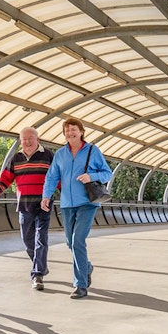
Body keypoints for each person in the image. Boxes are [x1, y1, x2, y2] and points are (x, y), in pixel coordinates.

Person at [40, 118, 112, 299]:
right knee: (70, 242)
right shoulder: (60, 154)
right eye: (66, 130)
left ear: (81, 132)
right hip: (66, 204)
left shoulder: (92, 151)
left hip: (87, 203)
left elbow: (107, 173)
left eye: (73, 129)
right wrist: (46, 195)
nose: (70, 133)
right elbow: (51, 177)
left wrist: (91, 176)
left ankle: (80, 285)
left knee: (78, 240)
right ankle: (86, 267)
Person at [0, 127, 53, 291]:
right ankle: (40, 264)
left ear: (37, 139)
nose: (27, 142)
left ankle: (37, 274)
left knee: (41, 239)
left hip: (43, 206)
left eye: (30, 138)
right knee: (28, 241)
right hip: (25, 206)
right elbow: (6, 177)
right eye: (24, 139)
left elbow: (56, 177)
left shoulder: (48, 156)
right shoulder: (16, 158)